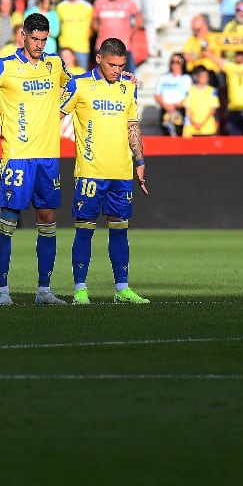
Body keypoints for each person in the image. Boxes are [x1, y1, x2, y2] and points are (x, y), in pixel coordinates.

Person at [0, 13, 69, 305]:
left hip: (48, 156)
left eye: (43, 39)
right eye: (34, 38)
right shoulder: (5, 66)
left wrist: (120, 78)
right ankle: (2, 291)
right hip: (17, 157)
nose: (38, 44)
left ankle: (44, 291)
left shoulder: (55, 64)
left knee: (47, 219)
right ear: (23, 35)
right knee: (8, 221)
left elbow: (76, 88)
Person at [59, 39, 149, 305]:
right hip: (90, 171)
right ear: (99, 58)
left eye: (121, 66)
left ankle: (122, 289)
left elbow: (132, 124)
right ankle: (80, 290)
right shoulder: (79, 85)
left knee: (120, 230)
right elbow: (55, 112)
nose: (116, 70)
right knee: (85, 230)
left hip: (121, 172)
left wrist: (140, 160)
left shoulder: (127, 87)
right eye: (112, 64)